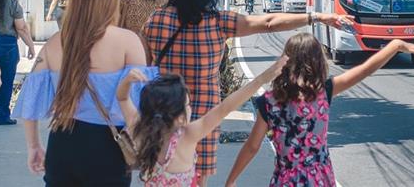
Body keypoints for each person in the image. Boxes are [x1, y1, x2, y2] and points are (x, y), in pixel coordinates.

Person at [143, 0, 352, 186]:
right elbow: (269, 22)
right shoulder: (219, 22)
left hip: (161, 116)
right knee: (198, 180)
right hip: (205, 117)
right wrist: (316, 17)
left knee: (160, 175)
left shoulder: (156, 21)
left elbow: (146, 68)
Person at [12, 0, 158, 186]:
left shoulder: (55, 43)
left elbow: (30, 100)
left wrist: (33, 146)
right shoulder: (129, 42)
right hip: (111, 146)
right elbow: (140, 105)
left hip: (62, 143)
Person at [225, 34, 414, 187]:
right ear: (317, 62)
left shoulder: (268, 102)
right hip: (319, 178)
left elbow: (252, 146)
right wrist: (394, 46)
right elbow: (365, 70)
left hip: (286, 179)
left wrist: (231, 180)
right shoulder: (323, 92)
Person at [116, 57, 287, 186]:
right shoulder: (187, 136)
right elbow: (224, 108)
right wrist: (260, 80)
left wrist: (126, 82)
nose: (191, 108)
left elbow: (122, 98)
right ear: (179, 117)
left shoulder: (141, 130)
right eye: (188, 105)